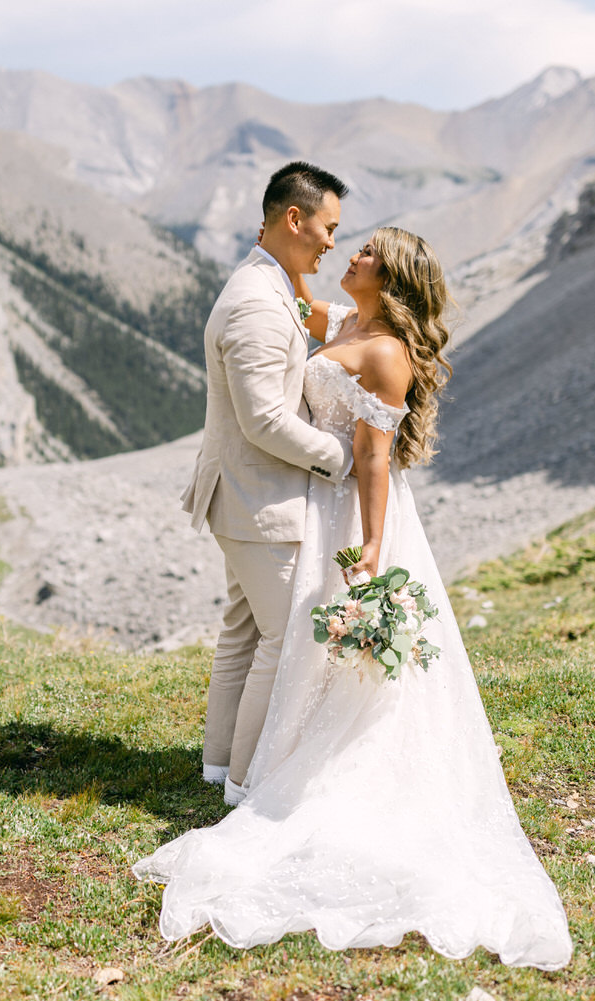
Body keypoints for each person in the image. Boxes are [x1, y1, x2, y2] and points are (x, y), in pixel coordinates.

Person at [135, 226, 574, 969]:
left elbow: (375, 458)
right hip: (312, 498)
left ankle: (272, 775)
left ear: (389, 276)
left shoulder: (386, 353)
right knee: (287, 639)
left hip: (350, 506)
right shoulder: (345, 322)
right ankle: (252, 763)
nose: (350, 255)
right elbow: (295, 299)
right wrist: (276, 244)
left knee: (304, 641)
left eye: (364, 252)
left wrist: (371, 549)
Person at [181, 161, 356, 807]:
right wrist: (341, 455)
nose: (333, 242)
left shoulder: (271, 282)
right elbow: (263, 420)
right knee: (286, 640)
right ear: (294, 218)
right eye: (329, 227)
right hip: (259, 497)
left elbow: (309, 321)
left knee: (244, 631)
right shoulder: (257, 301)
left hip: (242, 493)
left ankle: (218, 765)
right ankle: (245, 787)